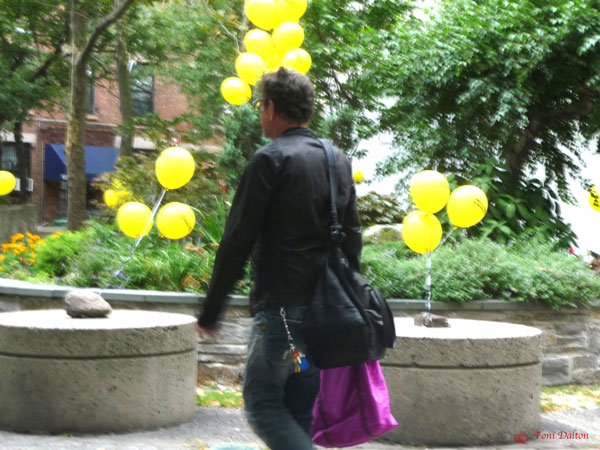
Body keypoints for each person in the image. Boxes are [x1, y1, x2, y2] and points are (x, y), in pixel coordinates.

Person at [197, 67, 362, 450]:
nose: (259, 114)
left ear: (271, 107)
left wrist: (211, 311)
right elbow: (352, 240)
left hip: (283, 317)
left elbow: (237, 239)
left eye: (260, 106)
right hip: (324, 318)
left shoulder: (269, 160)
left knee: (263, 405)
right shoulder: (336, 160)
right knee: (298, 408)